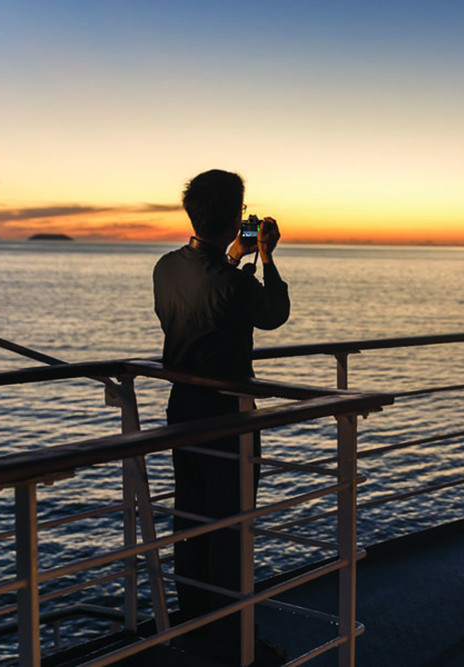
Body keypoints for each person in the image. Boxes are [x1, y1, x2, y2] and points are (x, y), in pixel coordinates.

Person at [153, 169, 290, 665]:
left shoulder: (164, 268)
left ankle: (195, 626)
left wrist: (235, 255)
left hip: (181, 412)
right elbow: (273, 311)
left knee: (190, 520)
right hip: (229, 419)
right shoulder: (232, 283)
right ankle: (238, 646)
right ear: (236, 217)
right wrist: (267, 257)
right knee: (233, 530)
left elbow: (210, 293)